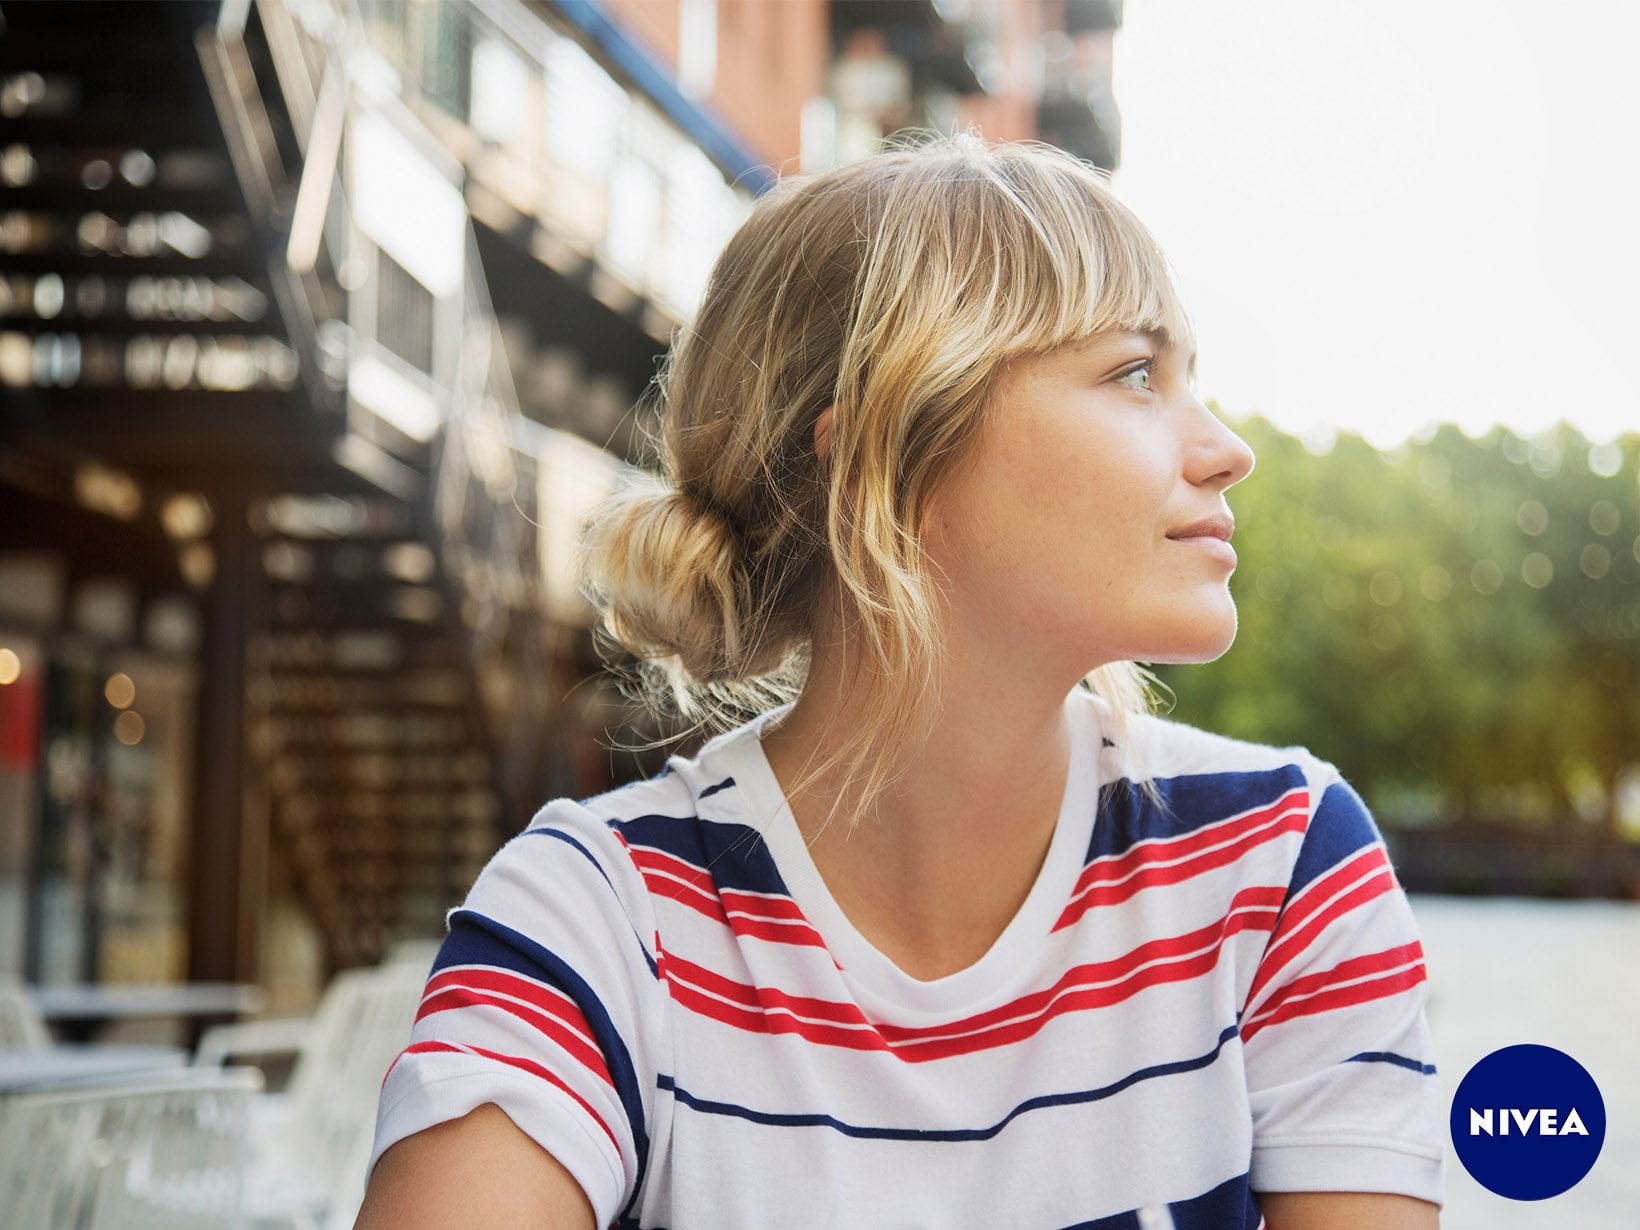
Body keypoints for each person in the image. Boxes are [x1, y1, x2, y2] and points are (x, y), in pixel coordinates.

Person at [356, 131, 1445, 1229]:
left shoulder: (1282, 860)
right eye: (1131, 373)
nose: (1224, 449)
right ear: (886, 458)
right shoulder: (592, 919)